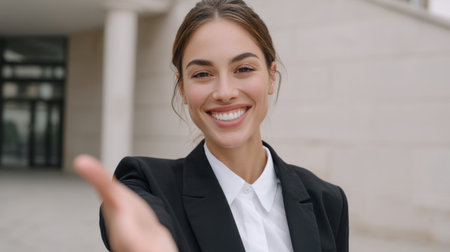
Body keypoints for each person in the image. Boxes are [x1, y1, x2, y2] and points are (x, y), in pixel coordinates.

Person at [74, 0, 349, 251]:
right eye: (202, 74)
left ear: (271, 77)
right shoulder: (146, 183)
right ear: (182, 88)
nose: (225, 92)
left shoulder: (327, 201)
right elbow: (136, 219)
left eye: (243, 69)